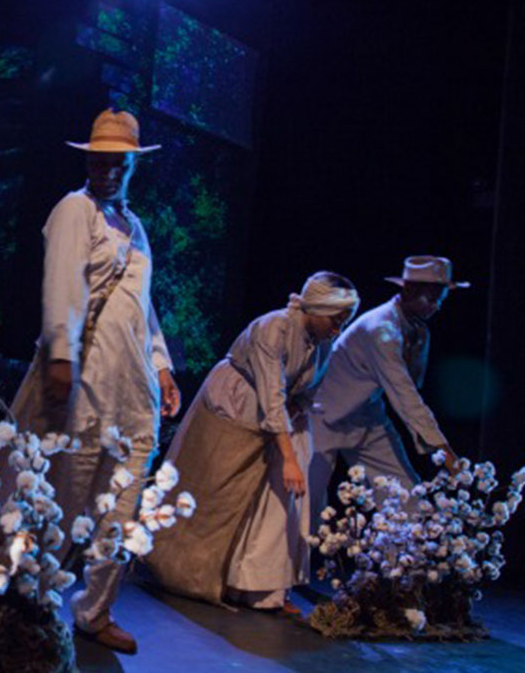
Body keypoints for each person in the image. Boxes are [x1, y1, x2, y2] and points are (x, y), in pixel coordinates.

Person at [11, 109, 181, 655]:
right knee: (66, 496)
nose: (108, 169)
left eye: (119, 161)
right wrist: (62, 356)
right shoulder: (74, 209)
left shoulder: (136, 227)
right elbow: (62, 284)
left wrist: (163, 366)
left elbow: (144, 307)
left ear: (132, 164)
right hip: (85, 382)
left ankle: (95, 610)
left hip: (135, 392)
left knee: (122, 509)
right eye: (99, 159)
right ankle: (31, 603)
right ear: (88, 160)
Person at [143, 272, 359, 612]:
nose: (338, 329)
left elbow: (308, 389)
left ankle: (264, 588)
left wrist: (297, 416)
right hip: (236, 405)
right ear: (315, 308)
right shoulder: (273, 328)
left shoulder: (324, 342)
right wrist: (288, 456)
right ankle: (191, 573)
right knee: (219, 491)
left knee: (279, 502)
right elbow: (270, 394)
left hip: (283, 414)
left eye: (344, 322)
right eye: (335, 320)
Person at [309, 256, 467, 523]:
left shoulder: (415, 328)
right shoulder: (381, 330)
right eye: (430, 299)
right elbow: (405, 395)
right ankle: (290, 566)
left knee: (406, 498)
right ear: (407, 291)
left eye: (440, 299)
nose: (436, 307)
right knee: (306, 504)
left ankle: (406, 564)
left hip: (367, 416)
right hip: (323, 417)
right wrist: (444, 451)